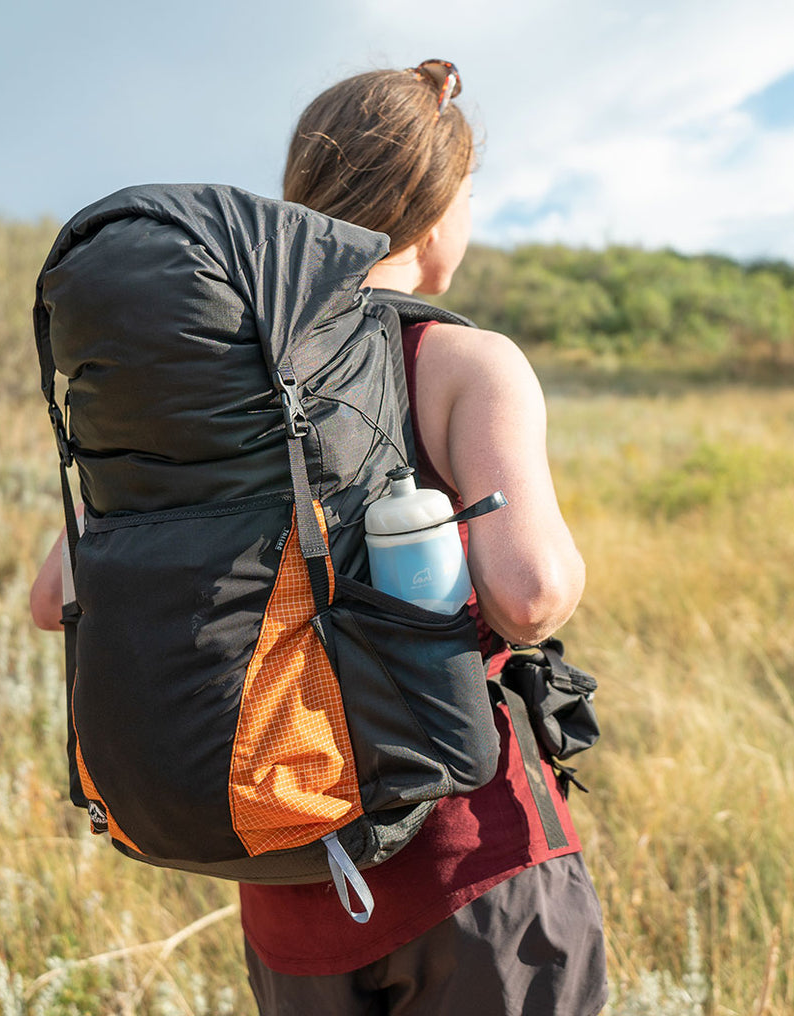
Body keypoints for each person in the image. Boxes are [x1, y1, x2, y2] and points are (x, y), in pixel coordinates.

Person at [31, 60, 606, 1016]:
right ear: (437, 210)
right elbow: (531, 594)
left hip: (292, 881)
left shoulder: (216, 379)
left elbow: (55, 601)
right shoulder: (462, 360)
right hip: (473, 868)